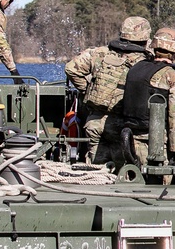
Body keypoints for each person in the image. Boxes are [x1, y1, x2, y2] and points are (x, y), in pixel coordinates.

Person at [64, 16, 152, 164]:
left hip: (95, 123)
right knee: (121, 169)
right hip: (123, 126)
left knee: (97, 170)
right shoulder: (145, 62)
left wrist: (88, 90)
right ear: (145, 37)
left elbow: (71, 69)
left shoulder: (99, 53)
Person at [121, 27, 175, 166]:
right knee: (160, 184)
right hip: (156, 143)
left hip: (129, 138)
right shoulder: (173, 76)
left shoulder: (136, 68)